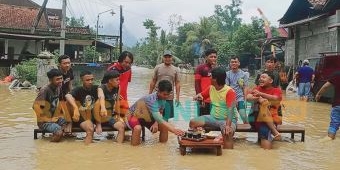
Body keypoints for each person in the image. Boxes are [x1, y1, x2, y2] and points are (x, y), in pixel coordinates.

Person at [190, 67, 237, 149]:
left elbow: (231, 110)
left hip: (227, 120)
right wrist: (198, 97)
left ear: (215, 79)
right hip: (213, 118)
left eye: (211, 76)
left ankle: (229, 156)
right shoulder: (211, 88)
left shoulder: (230, 91)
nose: (209, 78)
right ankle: (198, 144)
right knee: (193, 122)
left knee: (227, 134)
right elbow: (201, 95)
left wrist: (228, 126)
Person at [126, 80, 184, 146]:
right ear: (158, 91)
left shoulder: (163, 99)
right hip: (133, 116)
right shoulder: (151, 100)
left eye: (168, 94)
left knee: (164, 127)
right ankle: (133, 150)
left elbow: (160, 112)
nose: (166, 96)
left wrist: (156, 123)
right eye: (164, 94)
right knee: (137, 128)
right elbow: (159, 119)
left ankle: (162, 149)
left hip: (147, 117)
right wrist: (174, 130)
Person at [65, 70, 104, 144]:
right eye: (87, 80)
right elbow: (67, 95)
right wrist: (75, 108)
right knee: (90, 129)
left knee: (100, 101)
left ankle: (88, 150)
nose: (90, 82)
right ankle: (86, 150)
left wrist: (103, 107)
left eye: (92, 79)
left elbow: (101, 95)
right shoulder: (78, 89)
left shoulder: (97, 88)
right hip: (82, 116)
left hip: (94, 115)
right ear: (82, 80)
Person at [247, 71, 283, 149]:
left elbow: (276, 98)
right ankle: (274, 132)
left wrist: (261, 95)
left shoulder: (277, 90)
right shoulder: (256, 88)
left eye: (263, 77)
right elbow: (248, 97)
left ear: (271, 81)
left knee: (264, 130)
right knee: (262, 104)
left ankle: (266, 156)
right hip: (255, 119)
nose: (260, 79)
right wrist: (258, 99)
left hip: (272, 120)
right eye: (260, 77)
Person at [33, 69, 66, 142]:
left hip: (54, 117)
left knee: (68, 122)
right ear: (50, 80)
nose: (60, 81)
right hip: (44, 121)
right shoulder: (45, 90)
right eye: (57, 79)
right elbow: (35, 107)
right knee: (59, 133)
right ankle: (49, 148)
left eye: (61, 78)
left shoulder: (58, 87)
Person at [94, 70, 127, 143]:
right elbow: (101, 96)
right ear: (110, 81)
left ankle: (118, 148)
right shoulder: (101, 88)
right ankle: (98, 123)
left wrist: (118, 117)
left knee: (122, 127)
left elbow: (117, 102)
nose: (119, 81)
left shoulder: (117, 87)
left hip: (108, 116)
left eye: (119, 79)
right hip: (98, 114)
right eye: (117, 80)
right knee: (98, 102)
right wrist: (103, 107)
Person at [149, 50, 181, 120]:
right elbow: (153, 81)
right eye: (166, 57)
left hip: (169, 97)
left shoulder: (176, 69)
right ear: (163, 58)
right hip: (157, 96)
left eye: (169, 57)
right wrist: (149, 94)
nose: (167, 59)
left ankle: (164, 130)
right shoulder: (157, 67)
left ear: (172, 58)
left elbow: (177, 83)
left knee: (166, 117)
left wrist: (177, 97)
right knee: (155, 117)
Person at [316, 72, 340, 141]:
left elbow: (325, 86)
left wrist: (318, 94)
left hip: (337, 105)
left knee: (334, 125)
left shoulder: (337, 75)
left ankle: (327, 139)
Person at [194, 49, 218, 116]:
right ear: (206, 57)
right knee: (202, 120)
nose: (213, 58)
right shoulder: (200, 68)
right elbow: (197, 83)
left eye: (215, 57)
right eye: (211, 57)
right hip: (204, 99)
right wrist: (200, 98)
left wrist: (214, 69)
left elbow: (219, 85)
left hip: (215, 100)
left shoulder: (217, 69)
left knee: (214, 120)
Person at [226, 56, 249, 123]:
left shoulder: (244, 74)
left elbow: (245, 87)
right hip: (230, 98)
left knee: (244, 116)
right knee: (229, 119)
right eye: (232, 62)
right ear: (230, 64)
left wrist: (245, 99)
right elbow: (227, 87)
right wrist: (232, 99)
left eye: (235, 62)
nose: (233, 63)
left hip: (240, 98)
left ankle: (249, 129)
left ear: (239, 63)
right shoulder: (227, 74)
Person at [57, 54, 74, 133]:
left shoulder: (70, 70)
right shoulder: (57, 74)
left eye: (69, 63)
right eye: (65, 63)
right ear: (59, 64)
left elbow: (70, 84)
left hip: (67, 95)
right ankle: (67, 124)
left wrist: (72, 95)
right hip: (58, 96)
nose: (67, 65)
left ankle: (70, 124)